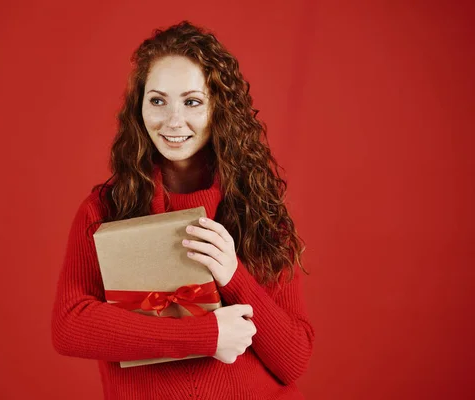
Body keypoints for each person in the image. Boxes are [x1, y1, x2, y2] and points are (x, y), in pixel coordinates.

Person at [51, 20, 315, 400]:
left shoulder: (259, 206)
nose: (173, 121)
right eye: (158, 100)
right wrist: (206, 336)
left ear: (218, 108)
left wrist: (233, 276)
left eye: (192, 101)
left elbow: (294, 360)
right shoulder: (105, 209)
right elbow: (69, 325)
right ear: (138, 106)